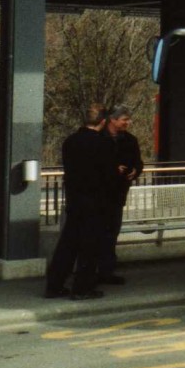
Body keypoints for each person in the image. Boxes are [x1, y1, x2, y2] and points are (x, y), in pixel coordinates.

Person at [45, 103, 118, 300]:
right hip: (96, 201)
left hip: (75, 200)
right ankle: (82, 288)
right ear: (103, 122)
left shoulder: (70, 141)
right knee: (90, 246)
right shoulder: (104, 144)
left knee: (68, 245)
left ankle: (54, 285)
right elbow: (109, 175)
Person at [97, 105, 143, 286]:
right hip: (99, 195)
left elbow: (138, 162)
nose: (128, 123)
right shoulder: (98, 139)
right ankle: (94, 271)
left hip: (117, 194)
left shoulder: (131, 140)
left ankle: (106, 272)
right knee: (99, 233)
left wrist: (135, 170)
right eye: (124, 120)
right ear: (113, 120)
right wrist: (111, 168)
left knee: (111, 233)